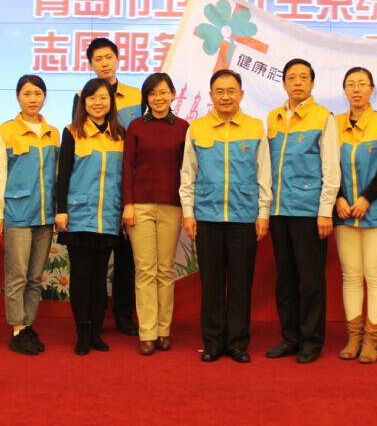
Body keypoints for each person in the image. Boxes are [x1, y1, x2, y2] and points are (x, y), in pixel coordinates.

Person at [179, 70, 272, 363]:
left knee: (241, 284)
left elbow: (264, 173)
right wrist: (188, 213)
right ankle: (213, 342)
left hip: (244, 217)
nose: (226, 97)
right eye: (219, 91)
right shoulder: (197, 128)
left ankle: (238, 343)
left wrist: (263, 213)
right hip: (207, 217)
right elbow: (187, 174)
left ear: (241, 94)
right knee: (212, 283)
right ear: (211, 96)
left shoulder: (255, 128)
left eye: (231, 91)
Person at [265, 58, 341, 364]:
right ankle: (290, 338)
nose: (297, 82)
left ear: (312, 83)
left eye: (303, 77)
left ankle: (311, 340)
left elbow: (331, 168)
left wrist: (325, 210)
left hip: (309, 211)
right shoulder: (273, 117)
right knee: (285, 279)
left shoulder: (324, 117)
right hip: (278, 210)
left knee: (311, 281)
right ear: (284, 83)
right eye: (292, 77)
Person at [74, 37, 142, 336]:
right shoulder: (83, 96)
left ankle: (124, 314)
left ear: (118, 58)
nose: (104, 63)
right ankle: (94, 319)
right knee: (94, 264)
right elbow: (78, 142)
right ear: (90, 64)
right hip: (95, 192)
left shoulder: (136, 96)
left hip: (127, 187)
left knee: (127, 258)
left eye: (108, 57)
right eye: (97, 59)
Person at [334, 67, 377, 364]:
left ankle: (372, 340)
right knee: (350, 276)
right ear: (344, 90)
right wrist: (338, 197)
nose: (356, 89)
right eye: (351, 84)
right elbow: (328, 165)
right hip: (344, 211)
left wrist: (366, 198)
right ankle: (354, 337)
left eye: (362, 84)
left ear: (372, 89)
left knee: (375, 276)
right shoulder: (334, 124)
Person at [56, 78, 126, 355]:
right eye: (92, 98)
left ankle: (96, 330)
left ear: (111, 102)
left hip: (108, 217)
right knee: (81, 276)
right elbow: (63, 174)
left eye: (103, 98)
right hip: (79, 215)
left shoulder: (120, 135)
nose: (98, 103)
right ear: (83, 103)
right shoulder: (72, 132)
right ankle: (82, 332)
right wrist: (61, 209)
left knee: (100, 277)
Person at [121, 72, 189, 355]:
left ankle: (163, 330)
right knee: (145, 270)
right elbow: (127, 167)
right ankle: (147, 332)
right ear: (146, 98)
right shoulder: (136, 126)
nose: (158, 98)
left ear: (173, 94)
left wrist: (188, 208)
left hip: (172, 206)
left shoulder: (184, 127)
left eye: (163, 92)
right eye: (152, 93)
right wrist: (128, 204)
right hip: (140, 207)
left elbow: (188, 170)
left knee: (165, 270)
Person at [0, 75, 59, 356]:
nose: (33, 99)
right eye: (27, 94)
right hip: (17, 213)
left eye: (38, 93)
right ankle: (17, 328)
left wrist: (58, 211)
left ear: (44, 97)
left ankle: (28, 325)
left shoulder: (53, 133)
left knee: (35, 276)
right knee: (17, 274)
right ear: (18, 97)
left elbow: (57, 176)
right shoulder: (6, 131)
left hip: (44, 215)